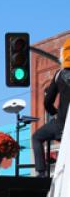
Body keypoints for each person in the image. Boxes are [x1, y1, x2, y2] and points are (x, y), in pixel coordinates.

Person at [32, 38, 70, 177]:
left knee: (36, 137)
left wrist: (55, 113)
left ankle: (40, 172)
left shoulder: (59, 75)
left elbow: (47, 102)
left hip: (61, 126)